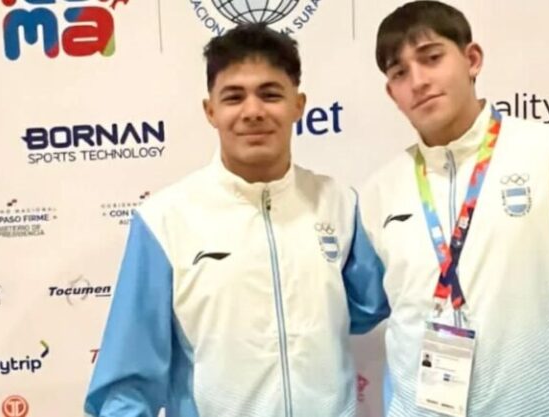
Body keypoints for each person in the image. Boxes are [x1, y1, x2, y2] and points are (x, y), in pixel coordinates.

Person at [84, 23, 389, 417]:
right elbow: (126, 388)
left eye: (270, 94)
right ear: (210, 111)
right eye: (233, 97)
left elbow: (368, 309)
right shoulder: (165, 220)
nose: (253, 111)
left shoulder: (339, 204)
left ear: (298, 105)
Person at [359, 1, 549, 416]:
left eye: (431, 58)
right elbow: (350, 306)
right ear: (391, 93)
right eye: (399, 73)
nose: (418, 81)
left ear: (472, 60)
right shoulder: (379, 192)